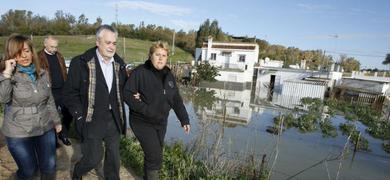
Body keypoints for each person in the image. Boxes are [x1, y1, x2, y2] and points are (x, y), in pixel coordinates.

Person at [63, 25, 127, 180]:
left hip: (113, 118)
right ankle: (78, 172)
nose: (112, 47)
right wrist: (78, 116)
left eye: (114, 43)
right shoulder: (80, 63)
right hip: (91, 118)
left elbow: (124, 89)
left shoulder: (119, 64)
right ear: (98, 42)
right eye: (108, 42)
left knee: (113, 157)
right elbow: (69, 94)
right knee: (94, 158)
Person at [124, 41, 191, 180]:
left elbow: (176, 99)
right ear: (150, 56)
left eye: (164, 55)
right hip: (142, 121)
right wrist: (145, 109)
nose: (161, 58)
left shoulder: (168, 75)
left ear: (167, 58)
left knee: (154, 154)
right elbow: (128, 94)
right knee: (155, 157)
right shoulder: (140, 72)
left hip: (160, 122)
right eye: (157, 54)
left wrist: (184, 119)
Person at [0, 34, 62, 180]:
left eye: (26, 51)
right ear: (11, 55)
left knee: (49, 166)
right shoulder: (8, 76)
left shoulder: (42, 73)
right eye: (18, 52)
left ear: (32, 52)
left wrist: (56, 121)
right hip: (19, 131)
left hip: (45, 127)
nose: (24, 56)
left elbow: (49, 100)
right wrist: (7, 73)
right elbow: (3, 98)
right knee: (28, 171)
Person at [38, 35, 72, 146]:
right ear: (45, 44)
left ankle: (63, 133)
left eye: (56, 47)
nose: (54, 49)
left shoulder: (59, 56)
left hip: (63, 90)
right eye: (52, 47)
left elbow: (64, 72)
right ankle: (53, 138)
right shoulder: (38, 57)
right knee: (50, 116)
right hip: (49, 91)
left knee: (69, 113)